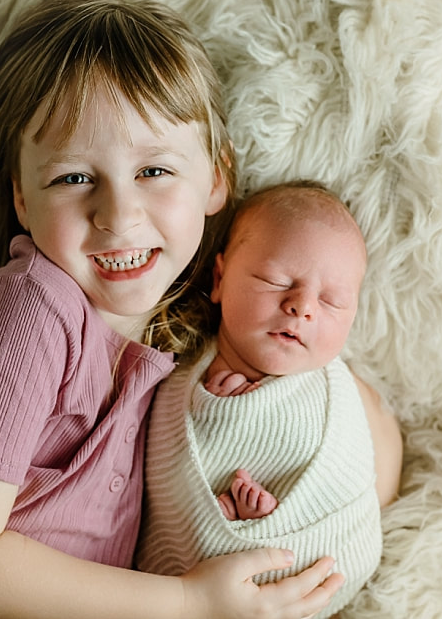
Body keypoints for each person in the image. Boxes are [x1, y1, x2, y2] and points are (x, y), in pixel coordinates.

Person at [0, 0, 344, 619]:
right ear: (23, 199)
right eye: (74, 177)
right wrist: (190, 601)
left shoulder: (173, 339)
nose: (118, 214)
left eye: (154, 171)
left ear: (216, 177)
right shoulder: (25, 319)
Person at [137, 181, 403, 618]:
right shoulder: (174, 372)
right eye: (277, 281)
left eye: (333, 301)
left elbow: (373, 480)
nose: (302, 307)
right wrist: (217, 415)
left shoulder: (341, 386)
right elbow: (158, 472)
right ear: (220, 279)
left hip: (321, 580)